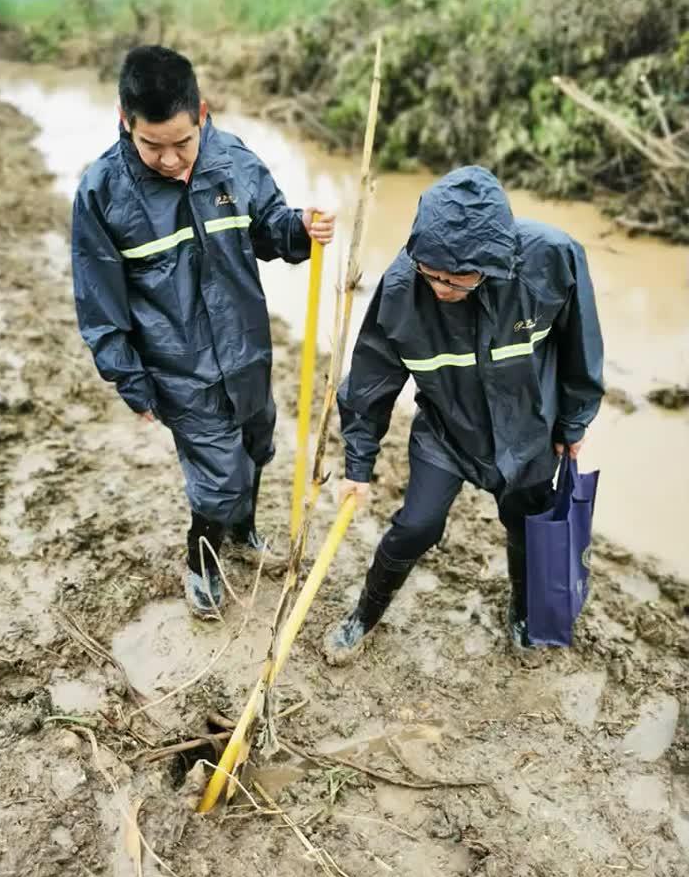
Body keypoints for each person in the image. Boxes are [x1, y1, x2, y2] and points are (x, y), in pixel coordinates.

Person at [72, 45, 335, 616]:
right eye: (151, 145)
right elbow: (99, 304)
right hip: (179, 368)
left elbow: (270, 231)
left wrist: (301, 229)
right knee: (217, 479)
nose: (169, 159)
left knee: (256, 446)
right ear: (125, 121)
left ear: (203, 114)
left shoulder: (234, 161)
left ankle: (243, 532)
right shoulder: (102, 192)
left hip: (247, 351)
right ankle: (202, 562)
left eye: (182, 143)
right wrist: (131, 381)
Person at [324, 165, 603, 661]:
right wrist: (358, 466)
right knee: (416, 525)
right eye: (432, 274)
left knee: (529, 526)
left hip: (527, 432)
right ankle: (364, 614)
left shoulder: (552, 258)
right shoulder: (400, 289)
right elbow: (370, 381)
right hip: (446, 434)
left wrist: (574, 421)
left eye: (459, 279)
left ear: (497, 263)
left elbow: (581, 343)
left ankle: (524, 611)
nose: (442, 288)